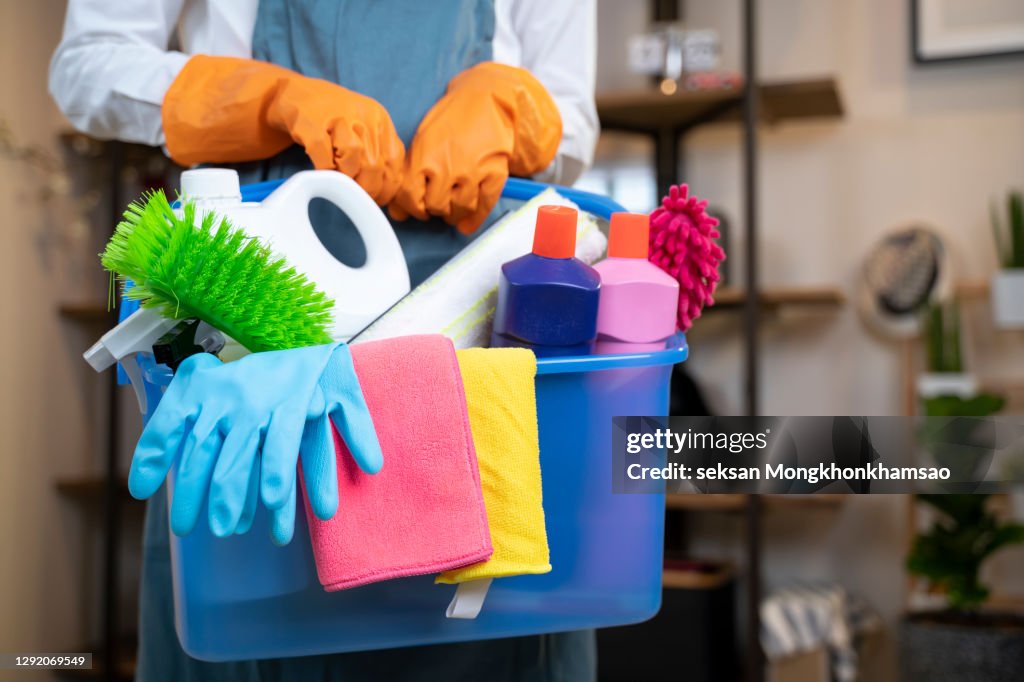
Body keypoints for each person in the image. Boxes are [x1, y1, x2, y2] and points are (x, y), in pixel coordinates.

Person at [49, 1, 599, 680]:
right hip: (254, 311)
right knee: (250, 599)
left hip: (477, 315)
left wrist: (511, 109)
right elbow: (86, 67)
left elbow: (574, 113)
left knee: (488, 610)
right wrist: (267, 98)